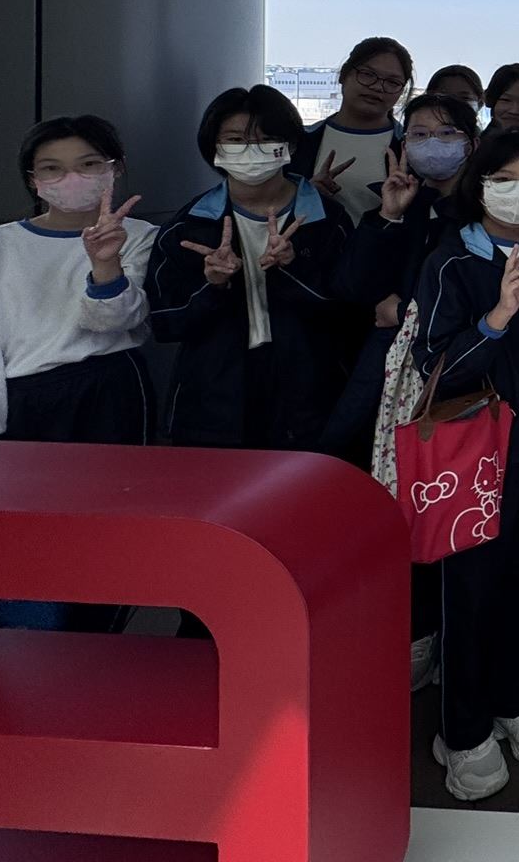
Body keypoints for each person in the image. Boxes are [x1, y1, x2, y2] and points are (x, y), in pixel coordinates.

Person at [410, 127, 519, 801]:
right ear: (478, 185)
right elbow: (434, 364)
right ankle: (463, 730)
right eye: (505, 179)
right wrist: (497, 317)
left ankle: (515, 700)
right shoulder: (452, 261)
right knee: (470, 595)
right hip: (474, 456)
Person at [320, 91, 479, 692]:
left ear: (471, 142)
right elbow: (352, 287)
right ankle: (407, 631)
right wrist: (387, 216)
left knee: (448, 503)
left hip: (456, 379)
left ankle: (441, 636)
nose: (432, 144)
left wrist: (408, 306)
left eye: (446, 132)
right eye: (418, 133)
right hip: (387, 380)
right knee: (389, 501)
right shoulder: (403, 203)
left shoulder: (484, 208)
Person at [147, 85, 353, 451]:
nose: (250, 150)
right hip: (214, 393)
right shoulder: (189, 225)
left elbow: (350, 310)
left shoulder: (327, 219)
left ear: (290, 145)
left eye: (266, 139)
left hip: (308, 389)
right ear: (214, 147)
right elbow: (165, 322)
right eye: (235, 140)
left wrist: (291, 269)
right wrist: (213, 286)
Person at [0, 115, 155, 450]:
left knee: (114, 483)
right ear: (33, 179)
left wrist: (105, 263)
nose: (72, 178)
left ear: (115, 168)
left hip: (109, 392)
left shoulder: (141, 236)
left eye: (88, 164)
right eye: (52, 168)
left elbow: (113, 321)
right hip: (23, 394)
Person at [295, 36, 412, 224]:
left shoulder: (410, 148)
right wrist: (308, 197)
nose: (377, 87)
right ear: (343, 75)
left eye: (392, 82)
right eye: (367, 74)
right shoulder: (300, 141)